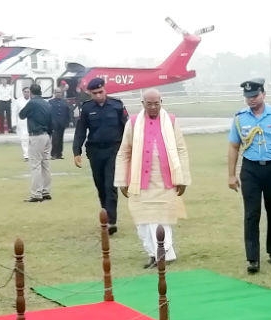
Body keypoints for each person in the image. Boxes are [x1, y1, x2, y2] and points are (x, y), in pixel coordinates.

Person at [228, 78, 271, 274]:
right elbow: (233, 146)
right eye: (247, 96)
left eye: (255, 95)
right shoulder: (240, 118)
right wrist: (231, 175)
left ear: (263, 94)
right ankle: (252, 258)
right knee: (251, 214)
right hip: (250, 169)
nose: (251, 99)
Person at [115, 88, 191, 268]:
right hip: (140, 180)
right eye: (149, 104)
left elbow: (181, 150)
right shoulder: (133, 122)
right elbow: (124, 152)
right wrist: (121, 181)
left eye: (156, 104)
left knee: (162, 218)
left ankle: (164, 254)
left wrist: (183, 178)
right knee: (143, 219)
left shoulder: (171, 121)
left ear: (161, 102)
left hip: (166, 180)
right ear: (143, 104)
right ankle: (152, 253)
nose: (153, 107)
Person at [73, 78, 128, 235]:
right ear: (90, 93)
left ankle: (111, 221)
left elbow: (127, 128)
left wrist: (130, 149)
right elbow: (80, 131)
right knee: (100, 186)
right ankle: (106, 214)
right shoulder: (87, 108)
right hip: (95, 151)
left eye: (100, 92)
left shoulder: (117, 105)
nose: (98, 95)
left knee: (110, 185)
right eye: (94, 93)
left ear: (105, 89)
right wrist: (77, 151)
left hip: (114, 150)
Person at [18, 84, 53, 202]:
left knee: (36, 165)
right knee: (45, 164)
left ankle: (36, 193)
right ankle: (46, 191)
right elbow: (51, 120)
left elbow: (21, 115)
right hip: (47, 135)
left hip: (36, 135)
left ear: (31, 93)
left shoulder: (32, 103)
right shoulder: (47, 103)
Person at [49, 87, 73, 159]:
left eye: (59, 92)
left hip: (62, 123)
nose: (58, 94)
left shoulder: (65, 102)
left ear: (61, 93)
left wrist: (70, 121)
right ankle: (53, 154)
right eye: (57, 92)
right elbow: (48, 113)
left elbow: (69, 112)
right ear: (54, 93)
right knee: (54, 139)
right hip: (54, 123)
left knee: (60, 139)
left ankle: (59, 154)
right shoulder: (50, 102)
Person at [14, 86, 31, 161]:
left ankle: (32, 154)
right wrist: (14, 124)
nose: (27, 93)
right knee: (24, 139)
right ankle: (26, 155)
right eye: (25, 92)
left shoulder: (32, 101)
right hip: (22, 123)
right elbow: (14, 113)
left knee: (32, 139)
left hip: (31, 122)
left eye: (28, 92)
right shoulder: (18, 101)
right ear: (23, 92)